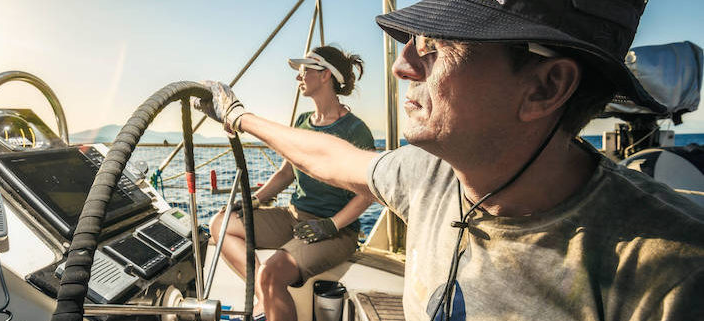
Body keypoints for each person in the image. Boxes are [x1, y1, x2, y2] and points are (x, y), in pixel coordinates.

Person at [194, 0, 704, 320]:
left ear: (546, 86)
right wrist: (238, 115)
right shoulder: (431, 174)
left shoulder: (671, 279)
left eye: (436, 48)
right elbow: (332, 158)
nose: (401, 64)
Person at [204, 45, 375, 321]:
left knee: (271, 274)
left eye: (305, 69)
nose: (299, 76)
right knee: (221, 224)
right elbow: (286, 173)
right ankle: (264, 297)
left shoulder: (356, 130)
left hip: (337, 229)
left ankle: (266, 289)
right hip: (294, 217)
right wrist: (256, 199)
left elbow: (368, 194)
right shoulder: (302, 122)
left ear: (325, 76)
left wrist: (331, 224)